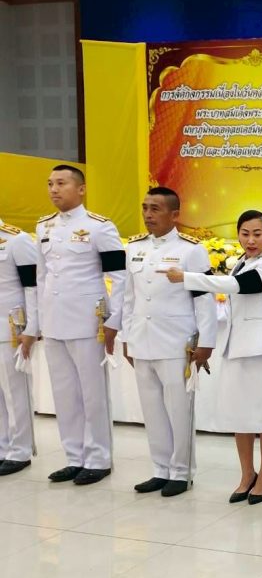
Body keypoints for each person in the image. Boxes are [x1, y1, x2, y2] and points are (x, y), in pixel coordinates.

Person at [164, 210, 262, 503]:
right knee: (238, 416)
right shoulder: (240, 263)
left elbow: (237, 286)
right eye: (245, 234)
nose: (251, 240)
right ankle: (247, 474)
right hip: (236, 346)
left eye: (257, 234)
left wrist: (187, 277)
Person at [121, 188, 216, 498]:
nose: (148, 214)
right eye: (145, 207)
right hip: (142, 340)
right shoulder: (134, 247)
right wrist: (126, 337)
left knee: (179, 409)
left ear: (175, 214)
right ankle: (160, 469)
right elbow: (129, 297)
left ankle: (181, 472)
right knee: (152, 410)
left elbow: (204, 298)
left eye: (156, 209)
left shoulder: (191, 250)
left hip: (177, 342)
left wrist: (206, 341)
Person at [36, 165, 125, 485]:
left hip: (88, 320)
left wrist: (114, 319)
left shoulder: (100, 227)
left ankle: (99, 458)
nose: (54, 189)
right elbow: (42, 276)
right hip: (54, 320)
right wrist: (39, 319)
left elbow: (119, 276)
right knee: (64, 393)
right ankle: (74, 457)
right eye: (50, 184)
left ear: (82, 189)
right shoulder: (43, 226)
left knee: (92, 393)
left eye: (61, 183)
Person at [0, 217, 39, 476]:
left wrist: (32, 328)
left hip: (10, 327)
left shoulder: (17, 240)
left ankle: (20, 450)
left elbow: (33, 286)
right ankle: (2, 448)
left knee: (16, 393)